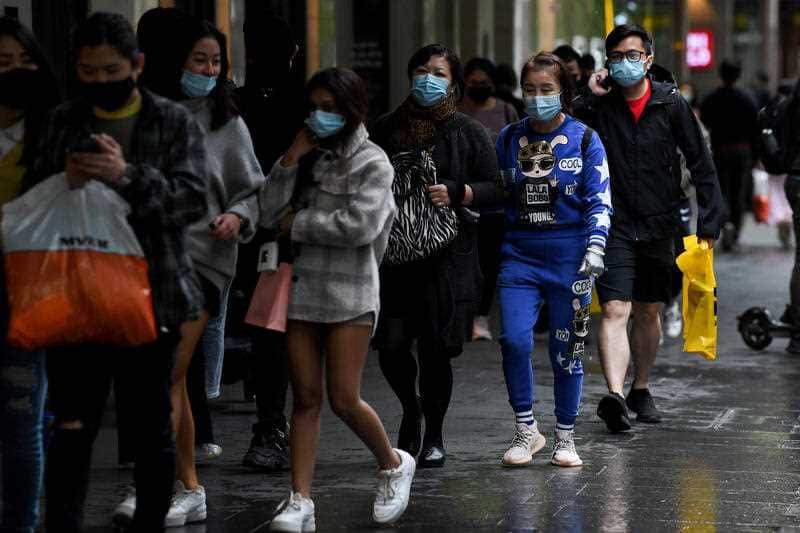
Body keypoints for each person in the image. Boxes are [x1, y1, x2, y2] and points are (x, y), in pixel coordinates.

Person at [27, 12, 208, 532]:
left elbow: (191, 199)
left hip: (152, 296)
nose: (101, 82)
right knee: (72, 427)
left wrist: (125, 175)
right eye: (89, 71)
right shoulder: (64, 120)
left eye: (112, 70)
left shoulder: (171, 121)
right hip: (75, 295)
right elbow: (33, 197)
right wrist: (63, 177)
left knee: (150, 428)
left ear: (136, 65)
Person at [116, 13, 264, 528]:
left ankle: (168, 487)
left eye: (216, 61)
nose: (208, 68)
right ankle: (180, 484)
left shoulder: (228, 121)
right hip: (147, 258)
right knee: (162, 377)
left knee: (171, 370)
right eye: (199, 59)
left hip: (203, 260)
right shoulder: (148, 114)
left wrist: (237, 216)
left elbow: (252, 188)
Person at [260, 67, 415, 531]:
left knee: (344, 398)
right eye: (315, 108)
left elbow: (360, 227)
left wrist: (299, 225)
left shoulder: (373, 161)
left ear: (351, 110)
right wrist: (290, 159)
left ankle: (391, 463)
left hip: (351, 293)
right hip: (303, 290)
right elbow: (267, 210)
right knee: (304, 398)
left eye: (330, 109)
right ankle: (299, 499)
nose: (320, 117)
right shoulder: (309, 155)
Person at [581, 24, 724, 432]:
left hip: (662, 222)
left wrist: (709, 221)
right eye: (616, 56)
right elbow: (563, 130)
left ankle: (640, 387)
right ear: (607, 63)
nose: (625, 62)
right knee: (613, 308)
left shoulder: (671, 104)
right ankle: (614, 395)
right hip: (613, 223)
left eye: (632, 54)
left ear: (648, 58)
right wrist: (585, 94)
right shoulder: (599, 106)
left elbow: (701, 161)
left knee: (648, 309)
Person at [371, 44, 502, 467]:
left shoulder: (467, 131)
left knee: (434, 348)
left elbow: (496, 187)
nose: (429, 79)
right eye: (423, 70)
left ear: (454, 84)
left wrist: (460, 192)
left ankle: (435, 434)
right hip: (394, 254)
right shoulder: (386, 127)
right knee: (391, 346)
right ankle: (411, 408)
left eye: (440, 73)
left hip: (446, 258)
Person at [495, 51, 611, 467]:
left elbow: (600, 199)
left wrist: (596, 246)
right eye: (530, 89)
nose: (537, 97)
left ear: (563, 92)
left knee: (569, 349)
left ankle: (565, 435)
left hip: (573, 257)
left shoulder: (585, 139)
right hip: (519, 254)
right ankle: (526, 429)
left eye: (546, 89)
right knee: (513, 339)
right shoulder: (508, 138)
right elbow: (496, 194)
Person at [233, 7, 306, 472]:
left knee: (266, 329)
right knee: (274, 330)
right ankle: (272, 424)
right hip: (281, 231)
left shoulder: (235, 103)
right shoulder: (303, 104)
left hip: (254, 229)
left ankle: (271, 422)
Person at [0, 15, 60, 533]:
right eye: (2, 64)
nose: (15, 73)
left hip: (31, 293)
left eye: (23, 62)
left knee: (23, 421)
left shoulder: (54, 130)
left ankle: (23, 522)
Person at [459, 57, 518, 341]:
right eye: (473, 82)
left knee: (489, 262)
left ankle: (481, 316)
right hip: (460, 198)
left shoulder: (506, 110)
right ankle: (462, 315)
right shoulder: (456, 110)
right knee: (463, 261)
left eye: (484, 83)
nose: (479, 87)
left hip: (495, 200)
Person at [700, 60, 758, 251]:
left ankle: (724, 223)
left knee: (721, 189)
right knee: (738, 191)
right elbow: (755, 127)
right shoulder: (748, 99)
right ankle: (735, 227)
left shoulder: (711, 98)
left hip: (719, 150)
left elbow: (704, 122)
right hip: (742, 150)